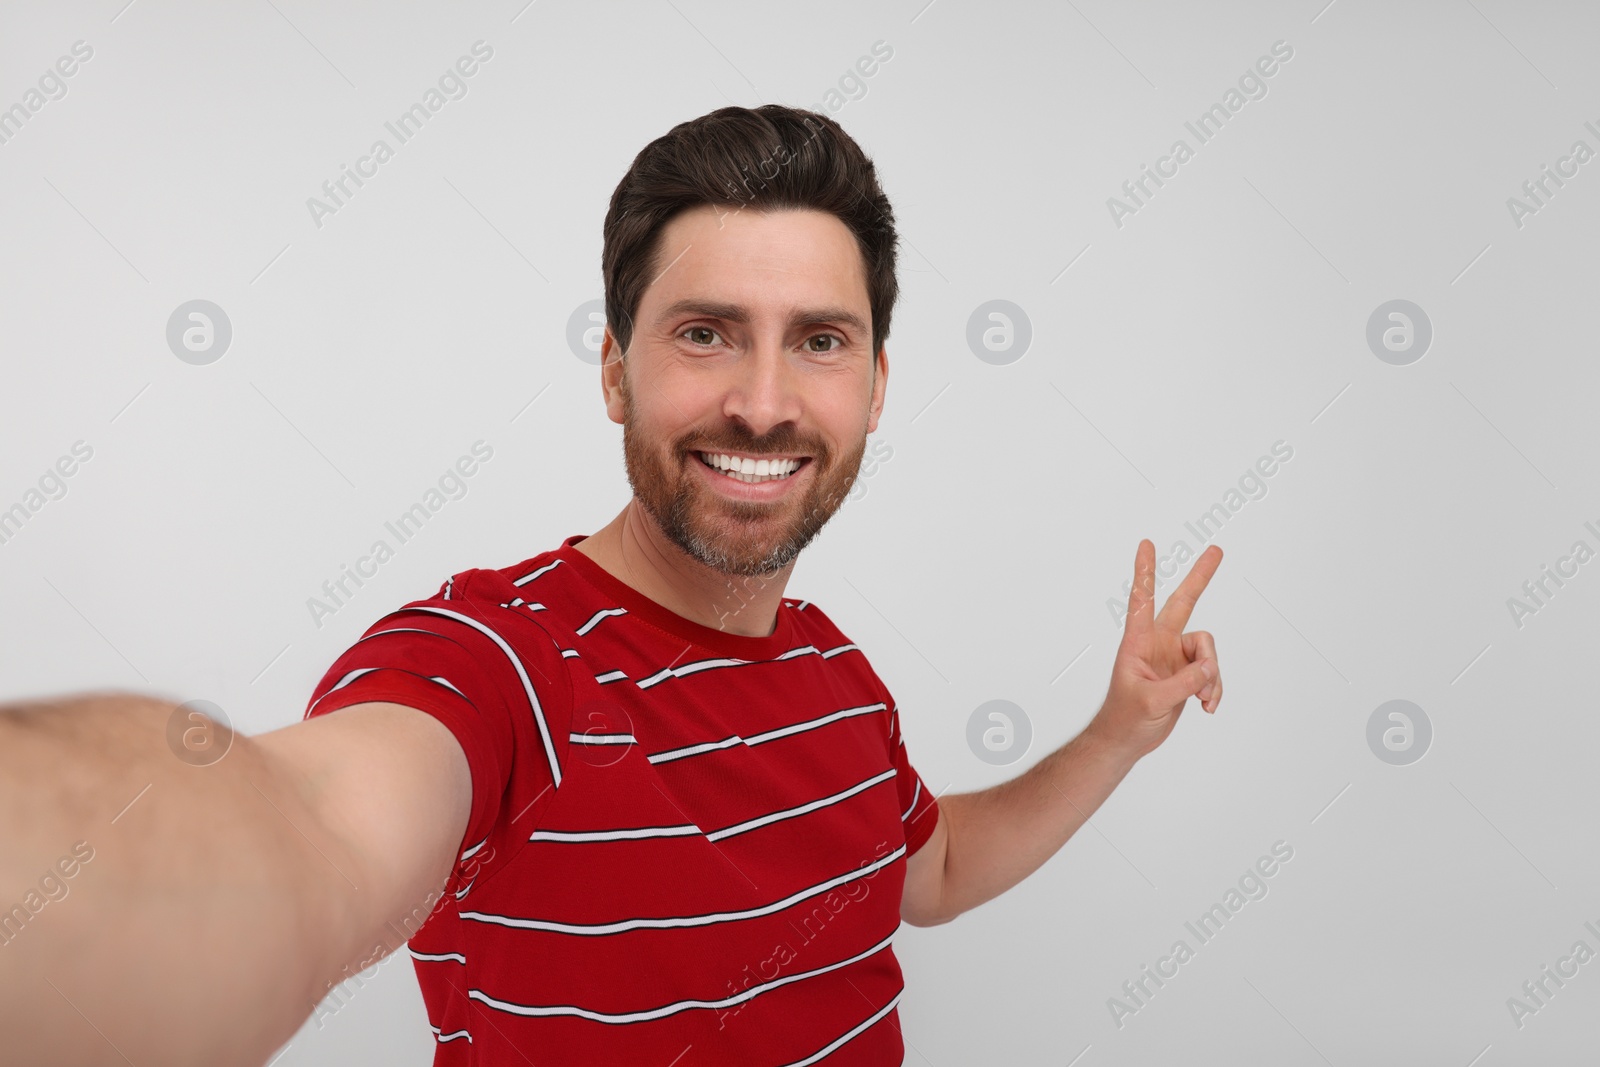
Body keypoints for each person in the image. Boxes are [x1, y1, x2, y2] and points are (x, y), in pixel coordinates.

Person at [0, 104, 1224, 1067]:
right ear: (614, 372)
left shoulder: (836, 674)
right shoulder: (496, 660)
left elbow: (935, 869)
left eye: (818, 337)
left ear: (876, 385)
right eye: (704, 331)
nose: (762, 398)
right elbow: (311, 824)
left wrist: (1117, 732)